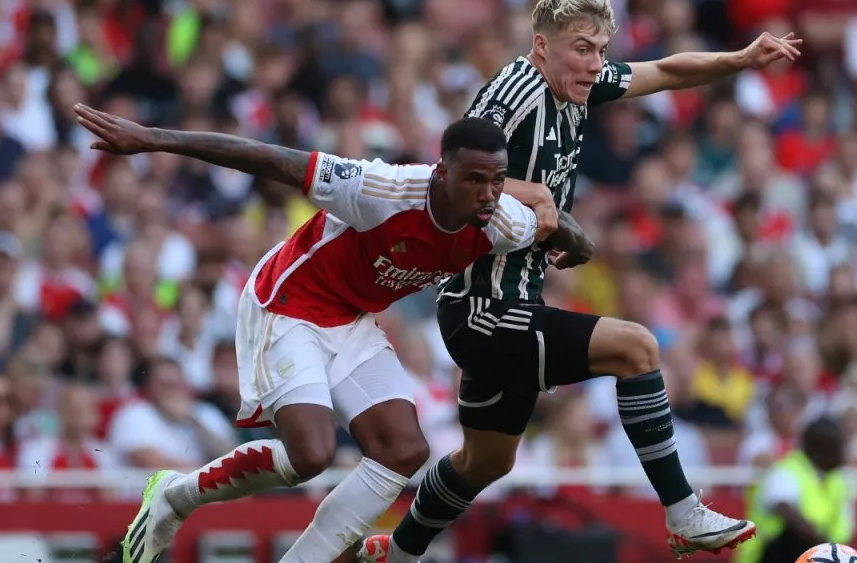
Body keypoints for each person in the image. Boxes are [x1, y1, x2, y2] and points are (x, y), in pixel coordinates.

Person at [358, 0, 804, 561]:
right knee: (637, 348)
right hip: (482, 309)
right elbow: (449, 172)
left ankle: (398, 552)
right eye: (582, 49)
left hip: (515, 301)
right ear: (542, 46)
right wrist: (540, 197)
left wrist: (739, 59)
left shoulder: (580, 84)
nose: (595, 64)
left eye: (601, 50)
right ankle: (683, 511)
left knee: (486, 461)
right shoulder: (513, 92)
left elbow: (666, 70)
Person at [72, 103, 592, 563]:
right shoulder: (379, 189)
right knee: (310, 455)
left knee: (403, 450)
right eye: (474, 179)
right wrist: (154, 139)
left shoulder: (502, 222)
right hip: (288, 303)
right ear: (440, 173)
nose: (487, 194)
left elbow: (555, 225)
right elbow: (269, 158)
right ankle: (173, 497)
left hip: (351, 318)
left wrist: (580, 246)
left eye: (497, 181)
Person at [733, 417, 855, 563]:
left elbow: (843, 530)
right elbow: (786, 512)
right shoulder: (785, 471)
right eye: (839, 447)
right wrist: (826, 549)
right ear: (819, 449)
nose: (844, 454)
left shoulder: (839, 480)